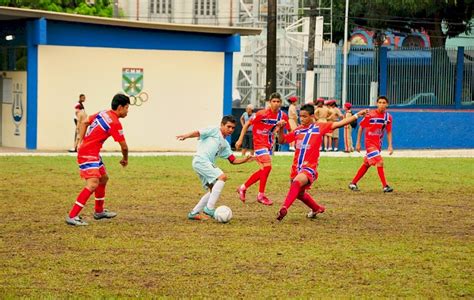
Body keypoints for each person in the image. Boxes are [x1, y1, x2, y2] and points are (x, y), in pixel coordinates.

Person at [276, 104, 368, 221]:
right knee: (299, 194)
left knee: (296, 183)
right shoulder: (298, 131)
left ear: (312, 116)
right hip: (296, 168)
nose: (302, 119)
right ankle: (317, 208)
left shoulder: (319, 127)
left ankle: (284, 208)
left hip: (309, 168)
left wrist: (356, 115)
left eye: (305, 116)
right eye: (300, 116)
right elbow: (282, 140)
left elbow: (339, 124)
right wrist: (280, 130)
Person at [66, 94, 130, 226]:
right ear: (120, 107)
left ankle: (99, 211)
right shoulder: (115, 123)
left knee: (103, 178)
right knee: (93, 184)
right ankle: (72, 215)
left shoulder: (104, 112)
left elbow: (84, 122)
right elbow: (124, 146)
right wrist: (125, 159)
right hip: (88, 154)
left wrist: (81, 141)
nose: (127, 111)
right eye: (127, 108)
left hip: (92, 152)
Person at [177, 115, 253, 220]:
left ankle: (194, 213)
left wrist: (245, 159)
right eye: (228, 126)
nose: (230, 129)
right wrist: (187, 135)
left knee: (212, 189)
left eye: (233, 128)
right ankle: (209, 208)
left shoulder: (225, 144)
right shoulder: (214, 130)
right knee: (222, 177)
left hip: (202, 164)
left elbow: (232, 160)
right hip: (201, 160)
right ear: (221, 125)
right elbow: (198, 132)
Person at [235, 92, 290, 206]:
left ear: (281, 103)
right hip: (259, 143)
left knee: (263, 170)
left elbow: (281, 139)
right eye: (273, 101)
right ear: (269, 103)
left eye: (278, 102)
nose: (275, 104)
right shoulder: (261, 114)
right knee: (268, 167)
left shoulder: (283, 116)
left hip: (269, 144)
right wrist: (240, 140)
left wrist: (281, 127)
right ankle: (261, 195)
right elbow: (246, 125)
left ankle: (243, 187)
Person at [348, 96, 394, 193]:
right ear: (377, 104)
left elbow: (389, 131)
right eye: (380, 102)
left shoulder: (388, 117)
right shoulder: (370, 114)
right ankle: (385, 186)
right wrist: (358, 143)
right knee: (380, 162)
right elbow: (361, 127)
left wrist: (390, 145)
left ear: (387, 104)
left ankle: (353, 183)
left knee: (366, 164)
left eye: (384, 102)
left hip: (378, 144)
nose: (382, 104)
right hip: (369, 143)